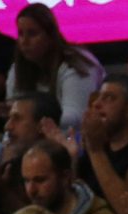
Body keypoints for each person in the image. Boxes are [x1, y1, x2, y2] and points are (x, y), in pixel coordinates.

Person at [7, 0, 104, 128]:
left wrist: (32, 125)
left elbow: (74, 119)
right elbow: (13, 120)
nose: (24, 41)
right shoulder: (18, 69)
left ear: (50, 37)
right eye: (20, 34)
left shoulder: (76, 64)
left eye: (32, 34)